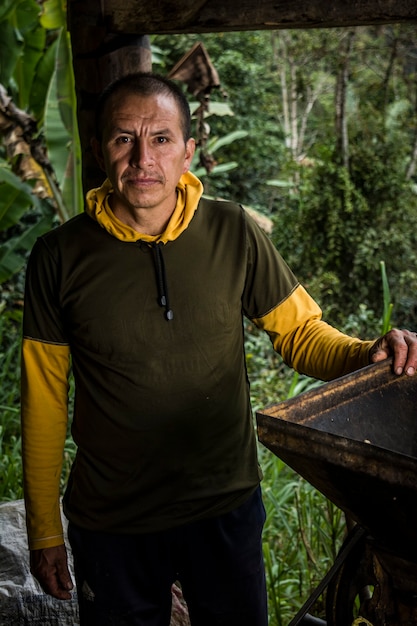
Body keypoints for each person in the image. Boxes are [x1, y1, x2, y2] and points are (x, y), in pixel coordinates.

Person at [21, 72, 417, 626]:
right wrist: (44, 531)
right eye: (123, 139)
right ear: (98, 149)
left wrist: (368, 351)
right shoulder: (58, 257)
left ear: (188, 151)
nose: (142, 159)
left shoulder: (233, 230)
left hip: (223, 506)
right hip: (113, 520)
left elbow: (301, 333)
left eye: (160, 139)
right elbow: (42, 402)